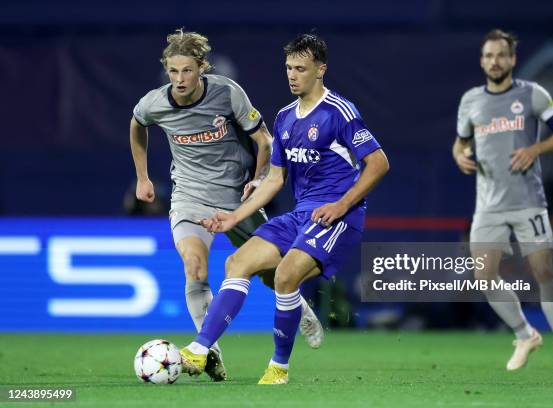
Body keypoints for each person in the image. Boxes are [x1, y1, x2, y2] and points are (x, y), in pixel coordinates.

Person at [179, 33, 389, 384]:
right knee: (237, 262)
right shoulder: (284, 117)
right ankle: (200, 350)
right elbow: (275, 179)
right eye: (289, 67)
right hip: (300, 214)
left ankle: (279, 367)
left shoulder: (339, 112)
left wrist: (342, 204)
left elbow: (379, 163)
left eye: (301, 68)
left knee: (285, 276)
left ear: (321, 70)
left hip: (337, 215)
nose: (292, 75)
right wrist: (235, 215)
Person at [129, 29, 324, 381]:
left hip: (236, 199)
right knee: (195, 268)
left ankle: (301, 309)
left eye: (187, 70)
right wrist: (142, 176)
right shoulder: (154, 103)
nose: (179, 79)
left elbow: (264, 140)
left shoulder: (226, 93)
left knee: (274, 271)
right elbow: (137, 124)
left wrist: (259, 178)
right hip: (189, 196)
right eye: (173, 72)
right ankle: (208, 351)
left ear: (201, 68)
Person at [452, 29, 553, 371]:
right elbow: (460, 142)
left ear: (512, 59)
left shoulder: (532, 94)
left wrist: (536, 149)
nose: (494, 61)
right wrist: (460, 156)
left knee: (543, 271)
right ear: (482, 61)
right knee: (484, 276)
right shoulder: (471, 101)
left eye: (501, 55)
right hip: (488, 204)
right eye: (488, 55)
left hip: (528, 201)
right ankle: (525, 334)